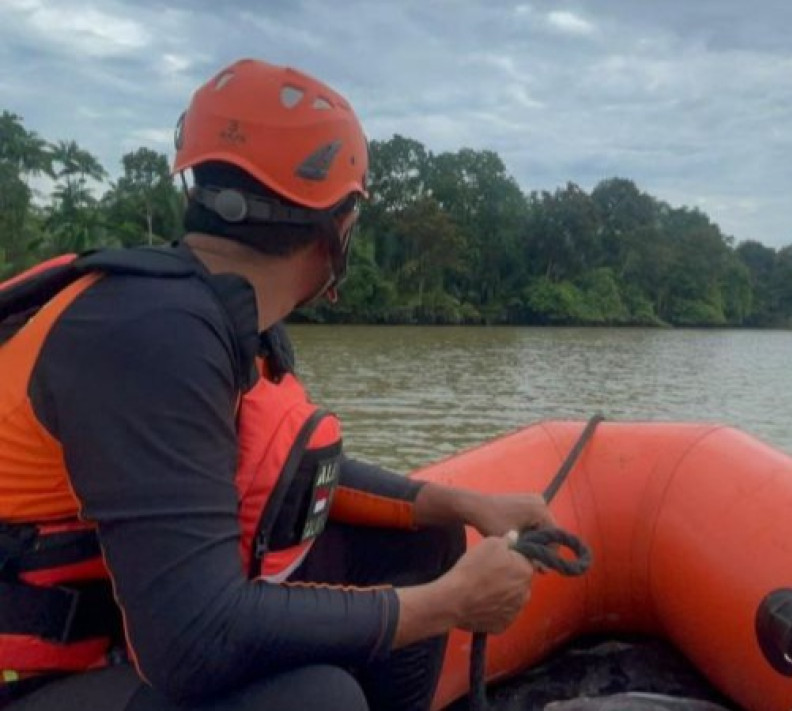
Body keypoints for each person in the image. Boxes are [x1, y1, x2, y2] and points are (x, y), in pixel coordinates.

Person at [0, 58, 548, 710]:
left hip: (117, 640)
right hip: (38, 680)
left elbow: (290, 471)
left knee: (423, 540)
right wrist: (444, 604)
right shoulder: (152, 336)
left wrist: (460, 504)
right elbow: (193, 639)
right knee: (318, 699)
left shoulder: (204, 314)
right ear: (339, 226)